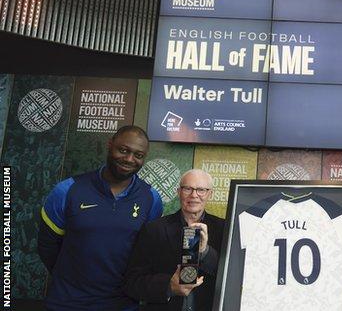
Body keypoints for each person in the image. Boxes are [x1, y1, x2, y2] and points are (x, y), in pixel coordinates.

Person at [37, 125, 163, 310]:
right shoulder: (67, 190)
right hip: (67, 303)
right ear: (110, 145)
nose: (129, 159)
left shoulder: (151, 198)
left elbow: (146, 254)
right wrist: (72, 279)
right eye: (123, 150)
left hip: (122, 304)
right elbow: (47, 246)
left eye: (138, 155)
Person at [123, 169, 225, 311]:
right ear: (178, 192)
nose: (194, 195)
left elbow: (230, 278)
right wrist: (169, 286)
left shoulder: (225, 229)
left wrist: (205, 251)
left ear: (210, 194)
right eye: (187, 189)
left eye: (201, 190)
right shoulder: (153, 229)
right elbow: (132, 282)